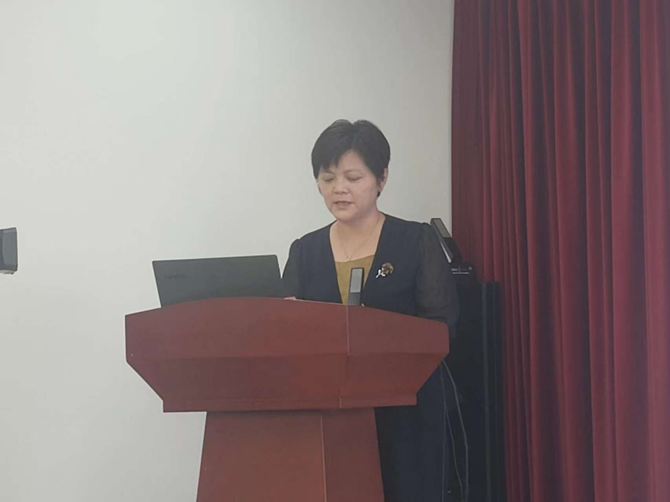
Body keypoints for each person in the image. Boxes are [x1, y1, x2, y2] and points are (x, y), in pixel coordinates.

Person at [282, 119, 460, 502]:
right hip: (329, 417)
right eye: (327, 178)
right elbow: (286, 332)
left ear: (381, 179)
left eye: (352, 177)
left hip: (405, 413)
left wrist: (377, 335)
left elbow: (441, 327)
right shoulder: (305, 251)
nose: (339, 189)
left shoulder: (414, 240)